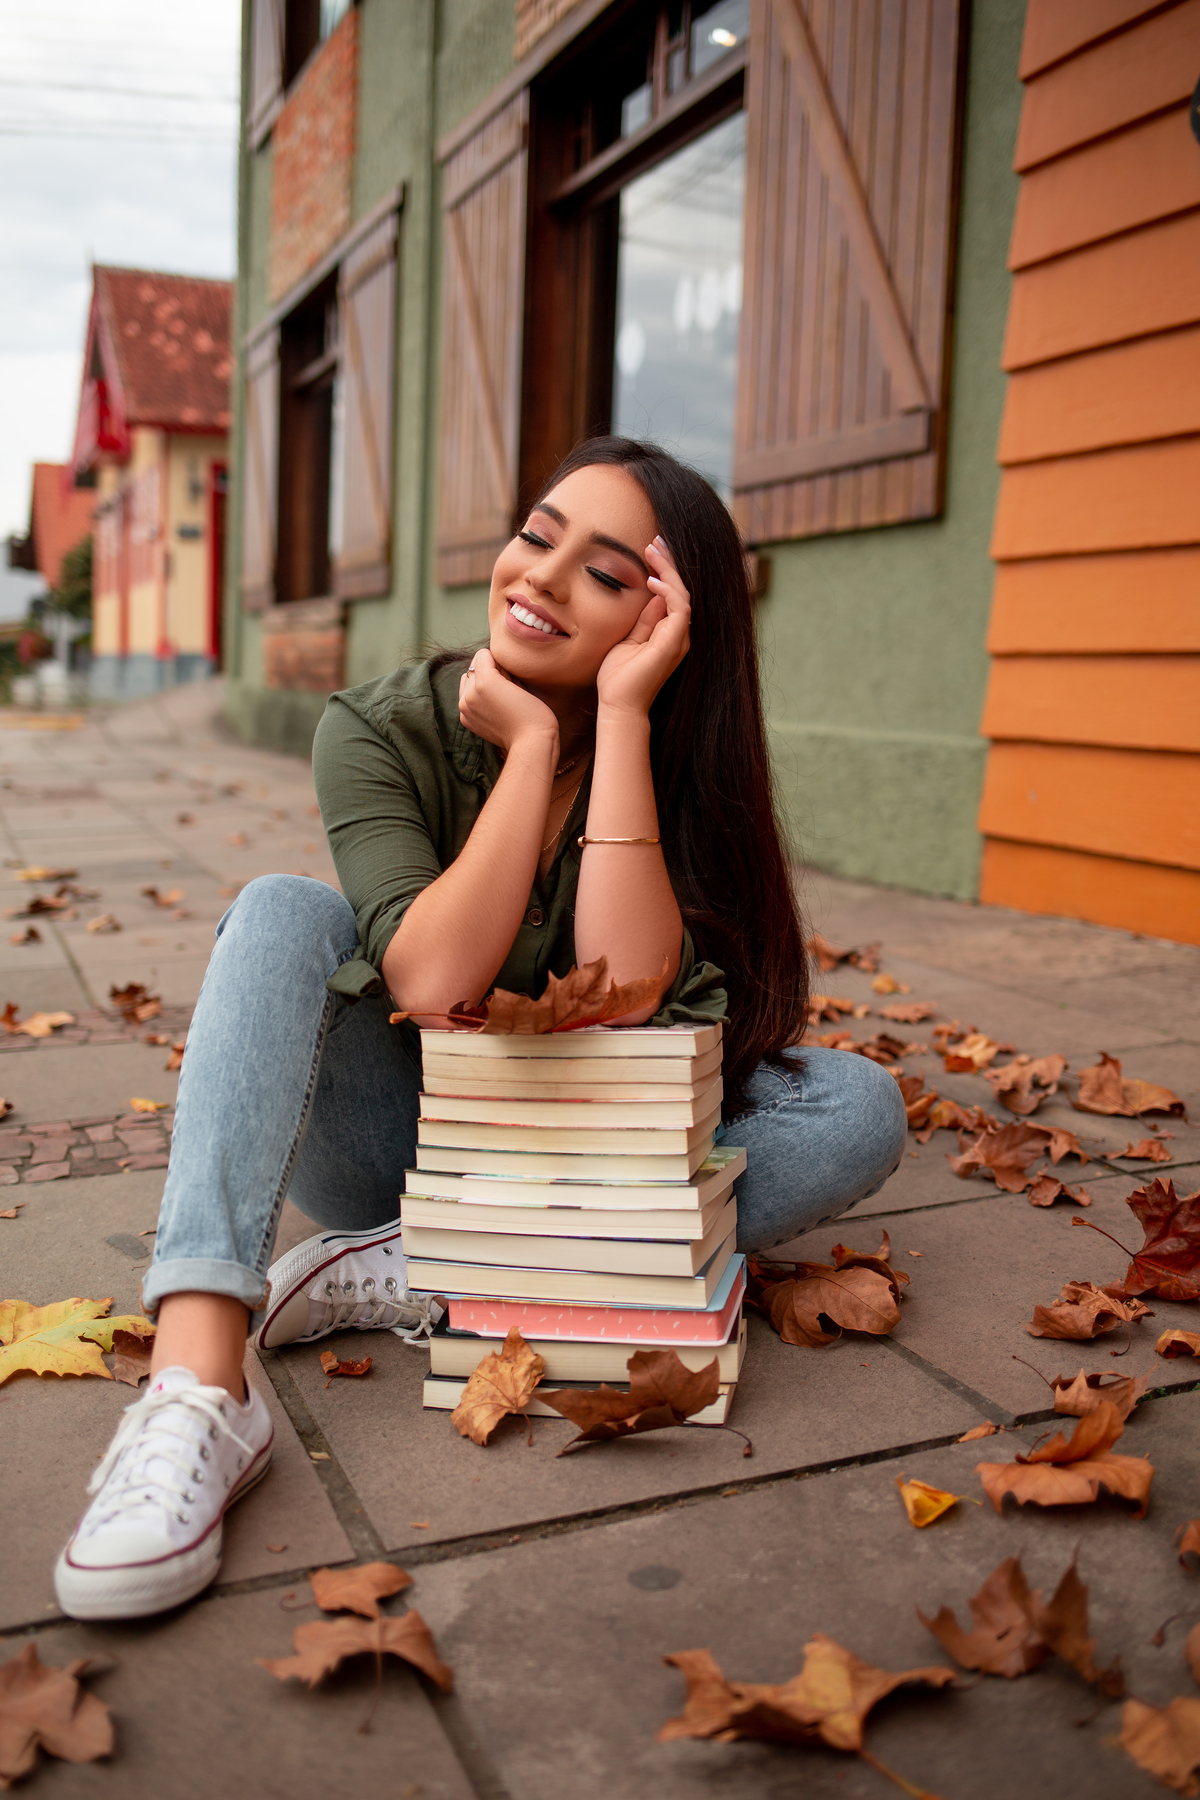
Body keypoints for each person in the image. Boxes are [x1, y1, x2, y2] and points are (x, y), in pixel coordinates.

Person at [53, 437, 906, 1621]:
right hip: (394, 1130)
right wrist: (530, 754)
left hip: (586, 1143)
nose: (543, 578)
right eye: (538, 534)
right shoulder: (379, 725)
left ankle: (437, 1263)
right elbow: (431, 974)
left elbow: (624, 995)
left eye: (607, 574)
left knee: (859, 1106)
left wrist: (612, 724)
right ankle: (201, 1386)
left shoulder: (673, 760)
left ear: (664, 623)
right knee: (282, 912)